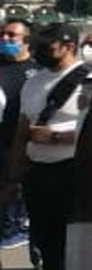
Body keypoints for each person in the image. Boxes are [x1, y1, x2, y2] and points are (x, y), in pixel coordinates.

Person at [8, 23, 92, 270]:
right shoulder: (34, 82)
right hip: (39, 174)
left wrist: (56, 137)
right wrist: (13, 172)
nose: (40, 50)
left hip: (74, 172)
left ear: (69, 46)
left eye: (48, 45)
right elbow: (23, 128)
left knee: (78, 247)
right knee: (47, 245)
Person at [0, 17, 36, 252]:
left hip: (23, 145)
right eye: (3, 34)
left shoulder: (36, 71)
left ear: (26, 41)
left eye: (12, 35)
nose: (5, 39)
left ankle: (22, 230)